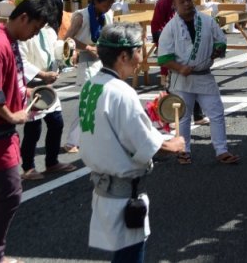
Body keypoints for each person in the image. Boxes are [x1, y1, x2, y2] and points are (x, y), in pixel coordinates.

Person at [78, 22, 185, 262]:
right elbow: (146, 143)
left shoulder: (91, 85)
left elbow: (116, 130)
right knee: (130, 255)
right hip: (123, 194)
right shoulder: (121, 92)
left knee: (121, 254)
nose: (141, 57)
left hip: (104, 189)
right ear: (123, 55)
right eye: (139, 50)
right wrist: (175, 144)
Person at [0, 0, 55, 263]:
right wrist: (11, 115)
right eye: (35, 28)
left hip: (1, 129)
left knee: (2, 193)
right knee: (11, 193)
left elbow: (8, 84)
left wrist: (27, 96)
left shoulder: (10, 41)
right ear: (23, 17)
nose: (34, 34)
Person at [157, 0, 239, 165]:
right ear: (174, 6)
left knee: (216, 113)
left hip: (204, 74)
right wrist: (179, 67)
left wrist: (218, 50)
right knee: (184, 117)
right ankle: (184, 150)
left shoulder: (207, 21)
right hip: (182, 78)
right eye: (182, 1)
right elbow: (163, 57)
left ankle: (221, 150)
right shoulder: (170, 28)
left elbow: (220, 40)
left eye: (189, 0)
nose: (187, 3)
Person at [19, 0, 76, 180]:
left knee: (56, 122)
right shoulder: (23, 31)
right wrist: (42, 74)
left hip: (47, 83)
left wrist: (66, 56)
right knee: (33, 129)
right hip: (32, 84)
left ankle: (51, 162)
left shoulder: (49, 30)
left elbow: (55, 52)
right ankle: (28, 167)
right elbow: (20, 61)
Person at [63, 0, 118, 153]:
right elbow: (68, 38)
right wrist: (87, 48)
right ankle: (72, 141)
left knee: (101, 101)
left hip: (101, 59)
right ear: (95, 1)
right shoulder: (81, 16)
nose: (108, 7)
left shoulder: (107, 15)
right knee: (87, 100)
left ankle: (93, 137)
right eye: (106, 3)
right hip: (86, 61)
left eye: (110, 4)